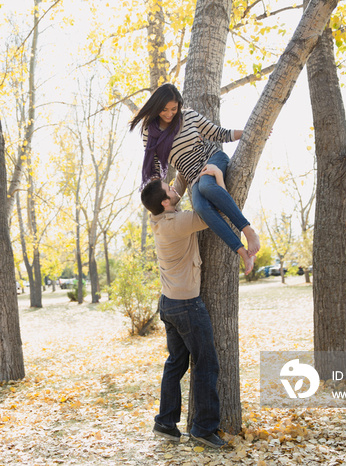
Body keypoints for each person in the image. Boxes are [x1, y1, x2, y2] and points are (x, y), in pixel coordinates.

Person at [130, 83, 260, 273]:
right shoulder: (149, 133)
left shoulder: (188, 116)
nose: (169, 113)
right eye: (164, 109)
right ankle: (243, 254)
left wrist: (252, 133)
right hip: (193, 177)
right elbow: (155, 168)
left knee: (207, 188)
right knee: (200, 208)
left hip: (213, 160)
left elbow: (220, 134)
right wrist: (155, 200)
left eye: (174, 109)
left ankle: (249, 231)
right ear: (157, 107)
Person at [140, 172, 227, 449]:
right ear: (166, 203)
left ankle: (165, 422)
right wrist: (219, 182)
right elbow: (214, 214)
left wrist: (183, 173)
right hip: (187, 305)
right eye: (170, 189)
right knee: (206, 364)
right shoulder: (179, 222)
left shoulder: (158, 217)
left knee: (176, 362)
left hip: (168, 302)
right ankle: (203, 428)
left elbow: (174, 190)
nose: (174, 189)